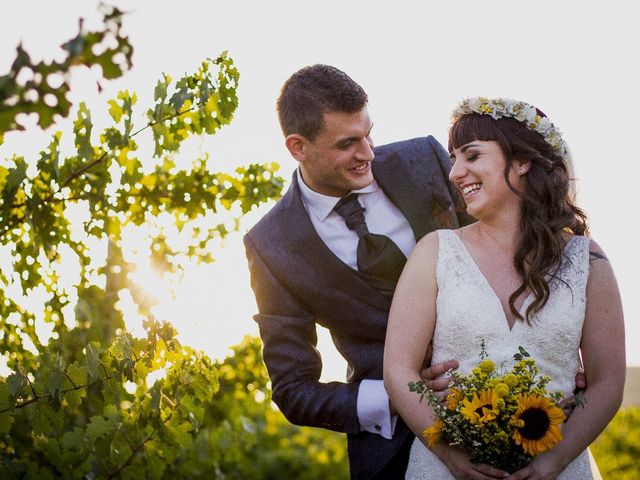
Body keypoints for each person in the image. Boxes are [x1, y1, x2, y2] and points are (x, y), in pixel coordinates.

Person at [243, 64, 473, 478]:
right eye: (348, 143)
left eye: (369, 133)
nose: (367, 152)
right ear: (298, 147)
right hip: (393, 451)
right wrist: (398, 395)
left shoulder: (426, 159)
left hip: (512, 400)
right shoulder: (272, 245)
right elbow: (294, 390)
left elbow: (508, 252)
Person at [384, 97, 626, 479]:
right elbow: (399, 369)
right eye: (453, 159)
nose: (455, 173)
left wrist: (552, 462)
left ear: (521, 161)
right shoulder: (435, 251)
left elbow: (608, 381)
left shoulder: (587, 260)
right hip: (445, 467)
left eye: (472, 156)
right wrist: (451, 457)